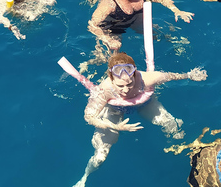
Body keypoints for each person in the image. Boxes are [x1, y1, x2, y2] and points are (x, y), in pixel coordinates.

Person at [73, 52, 207, 187]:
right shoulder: (104, 90)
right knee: (101, 154)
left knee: (173, 126)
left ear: (135, 74)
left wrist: (190, 75)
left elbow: (171, 76)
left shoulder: (147, 79)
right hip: (114, 110)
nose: (125, 90)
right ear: (111, 78)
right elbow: (89, 117)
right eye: (120, 86)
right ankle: (84, 177)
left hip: (144, 104)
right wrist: (115, 126)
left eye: (129, 84)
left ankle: (182, 158)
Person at [89, 0, 194, 52]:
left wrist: (177, 11)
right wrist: (107, 39)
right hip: (113, 28)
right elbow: (92, 24)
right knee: (114, 55)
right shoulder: (110, 2)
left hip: (135, 21)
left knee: (157, 36)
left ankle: (176, 47)